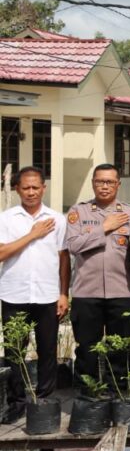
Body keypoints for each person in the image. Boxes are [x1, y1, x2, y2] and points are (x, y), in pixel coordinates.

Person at [0, 166, 69, 422]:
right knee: (15, 352)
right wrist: (33, 235)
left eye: (35, 187)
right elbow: (1, 253)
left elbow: (64, 259)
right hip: (13, 295)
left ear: (43, 188)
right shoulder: (6, 218)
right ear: (17, 189)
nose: (31, 192)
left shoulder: (57, 219)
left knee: (48, 350)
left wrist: (64, 293)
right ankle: (16, 403)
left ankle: (45, 400)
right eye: (26, 187)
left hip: (47, 295)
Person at [64, 163, 130, 394]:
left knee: (120, 349)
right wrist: (103, 228)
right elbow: (74, 245)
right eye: (99, 182)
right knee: (87, 349)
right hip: (87, 292)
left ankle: (119, 395)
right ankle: (89, 396)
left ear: (118, 184)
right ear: (93, 183)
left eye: (109, 182)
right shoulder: (79, 211)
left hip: (122, 291)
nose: (104, 186)